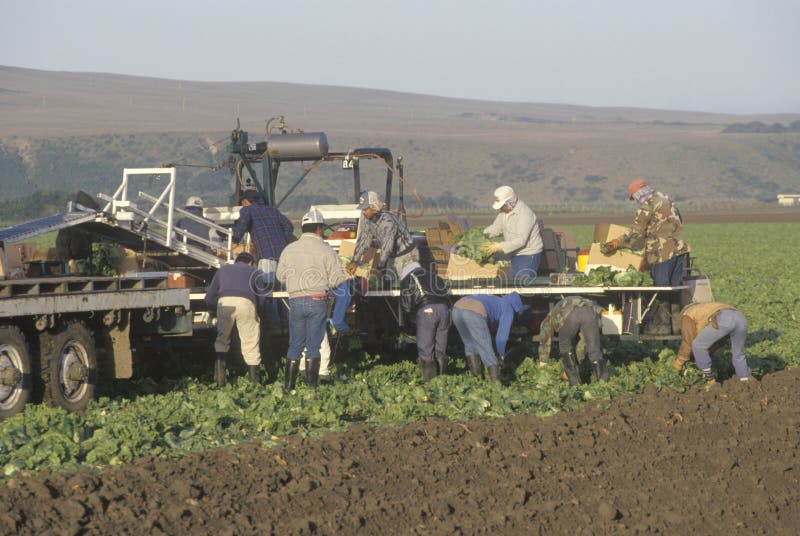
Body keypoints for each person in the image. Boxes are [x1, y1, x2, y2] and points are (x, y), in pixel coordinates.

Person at [277, 209, 349, 390]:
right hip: (317, 301)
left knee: (295, 345)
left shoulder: (289, 249)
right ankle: (311, 387)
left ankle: (289, 387)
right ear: (319, 228)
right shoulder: (326, 249)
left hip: (295, 301)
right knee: (313, 346)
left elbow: (280, 276)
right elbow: (337, 280)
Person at [602, 179, 690, 286]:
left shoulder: (647, 205)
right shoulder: (668, 200)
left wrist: (616, 242)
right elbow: (679, 220)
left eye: (635, 198)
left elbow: (636, 231)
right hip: (680, 249)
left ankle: (663, 303)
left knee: (662, 288)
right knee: (676, 288)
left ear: (638, 195)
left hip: (663, 252)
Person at [232, 189, 294, 331]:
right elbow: (289, 226)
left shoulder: (247, 210)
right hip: (283, 256)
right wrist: (282, 240)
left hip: (266, 256)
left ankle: (275, 327)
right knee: (284, 292)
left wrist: (235, 241)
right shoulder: (273, 211)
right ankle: (288, 326)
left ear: (245, 201)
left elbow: (242, 224)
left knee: (268, 293)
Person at [204, 252, 265, 387]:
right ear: (251, 262)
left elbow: (209, 298)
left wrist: (215, 310)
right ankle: (254, 383)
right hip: (246, 303)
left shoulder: (223, 270)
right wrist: (257, 312)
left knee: (222, 340)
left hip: (225, 303)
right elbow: (261, 298)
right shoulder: (255, 271)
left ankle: (220, 382)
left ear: (236, 261)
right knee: (250, 342)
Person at [347, 190, 418, 286]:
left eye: (365, 209)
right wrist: (354, 260)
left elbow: (387, 247)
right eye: (362, 209)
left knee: (405, 285)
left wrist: (379, 268)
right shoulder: (366, 217)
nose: (363, 212)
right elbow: (364, 239)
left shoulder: (387, 221)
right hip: (392, 256)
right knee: (389, 285)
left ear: (373, 207)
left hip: (406, 255)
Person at [451, 292, 526, 382]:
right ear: (516, 306)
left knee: (470, 344)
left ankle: (476, 378)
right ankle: (496, 384)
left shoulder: (496, 300)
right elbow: (501, 338)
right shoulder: (508, 308)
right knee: (486, 349)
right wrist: (501, 355)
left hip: (456, 309)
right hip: (474, 312)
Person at [534, 296, 609, 386]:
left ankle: (575, 383)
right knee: (594, 349)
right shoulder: (564, 305)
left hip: (571, 314)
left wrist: (543, 362)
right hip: (590, 311)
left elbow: (544, 339)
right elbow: (584, 340)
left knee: (565, 345)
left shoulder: (547, 322)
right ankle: (603, 384)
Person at [672, 302, 750, 384]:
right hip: (741, 319)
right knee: (738, 354)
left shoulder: (687, 315)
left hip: (724, 318)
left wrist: (680, 361)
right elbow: (718, 341)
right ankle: (744, 380)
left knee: (698, 345)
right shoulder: (707, 307)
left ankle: (710, 379)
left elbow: (689, 341)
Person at [399, 261, 451, 381]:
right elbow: (446, 294)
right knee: (440, 347)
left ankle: (430, 381)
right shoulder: (434, 275)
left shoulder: (409, 278)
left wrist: (411, 322)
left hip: (427, 310)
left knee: (426, 348)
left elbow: (406, 305)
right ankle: (442, 379)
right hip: (444, 310)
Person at [482, 186, 544, 282]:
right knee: (512, 283)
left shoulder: (525, 214)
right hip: (515, 254)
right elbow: (496, 228)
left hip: (528, 254)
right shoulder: (504, 213)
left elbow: (521, 240)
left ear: (510, 202)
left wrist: (499, 246)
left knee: (521, 283)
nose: (501, 208)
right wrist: (482, 235)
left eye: (503, 206)